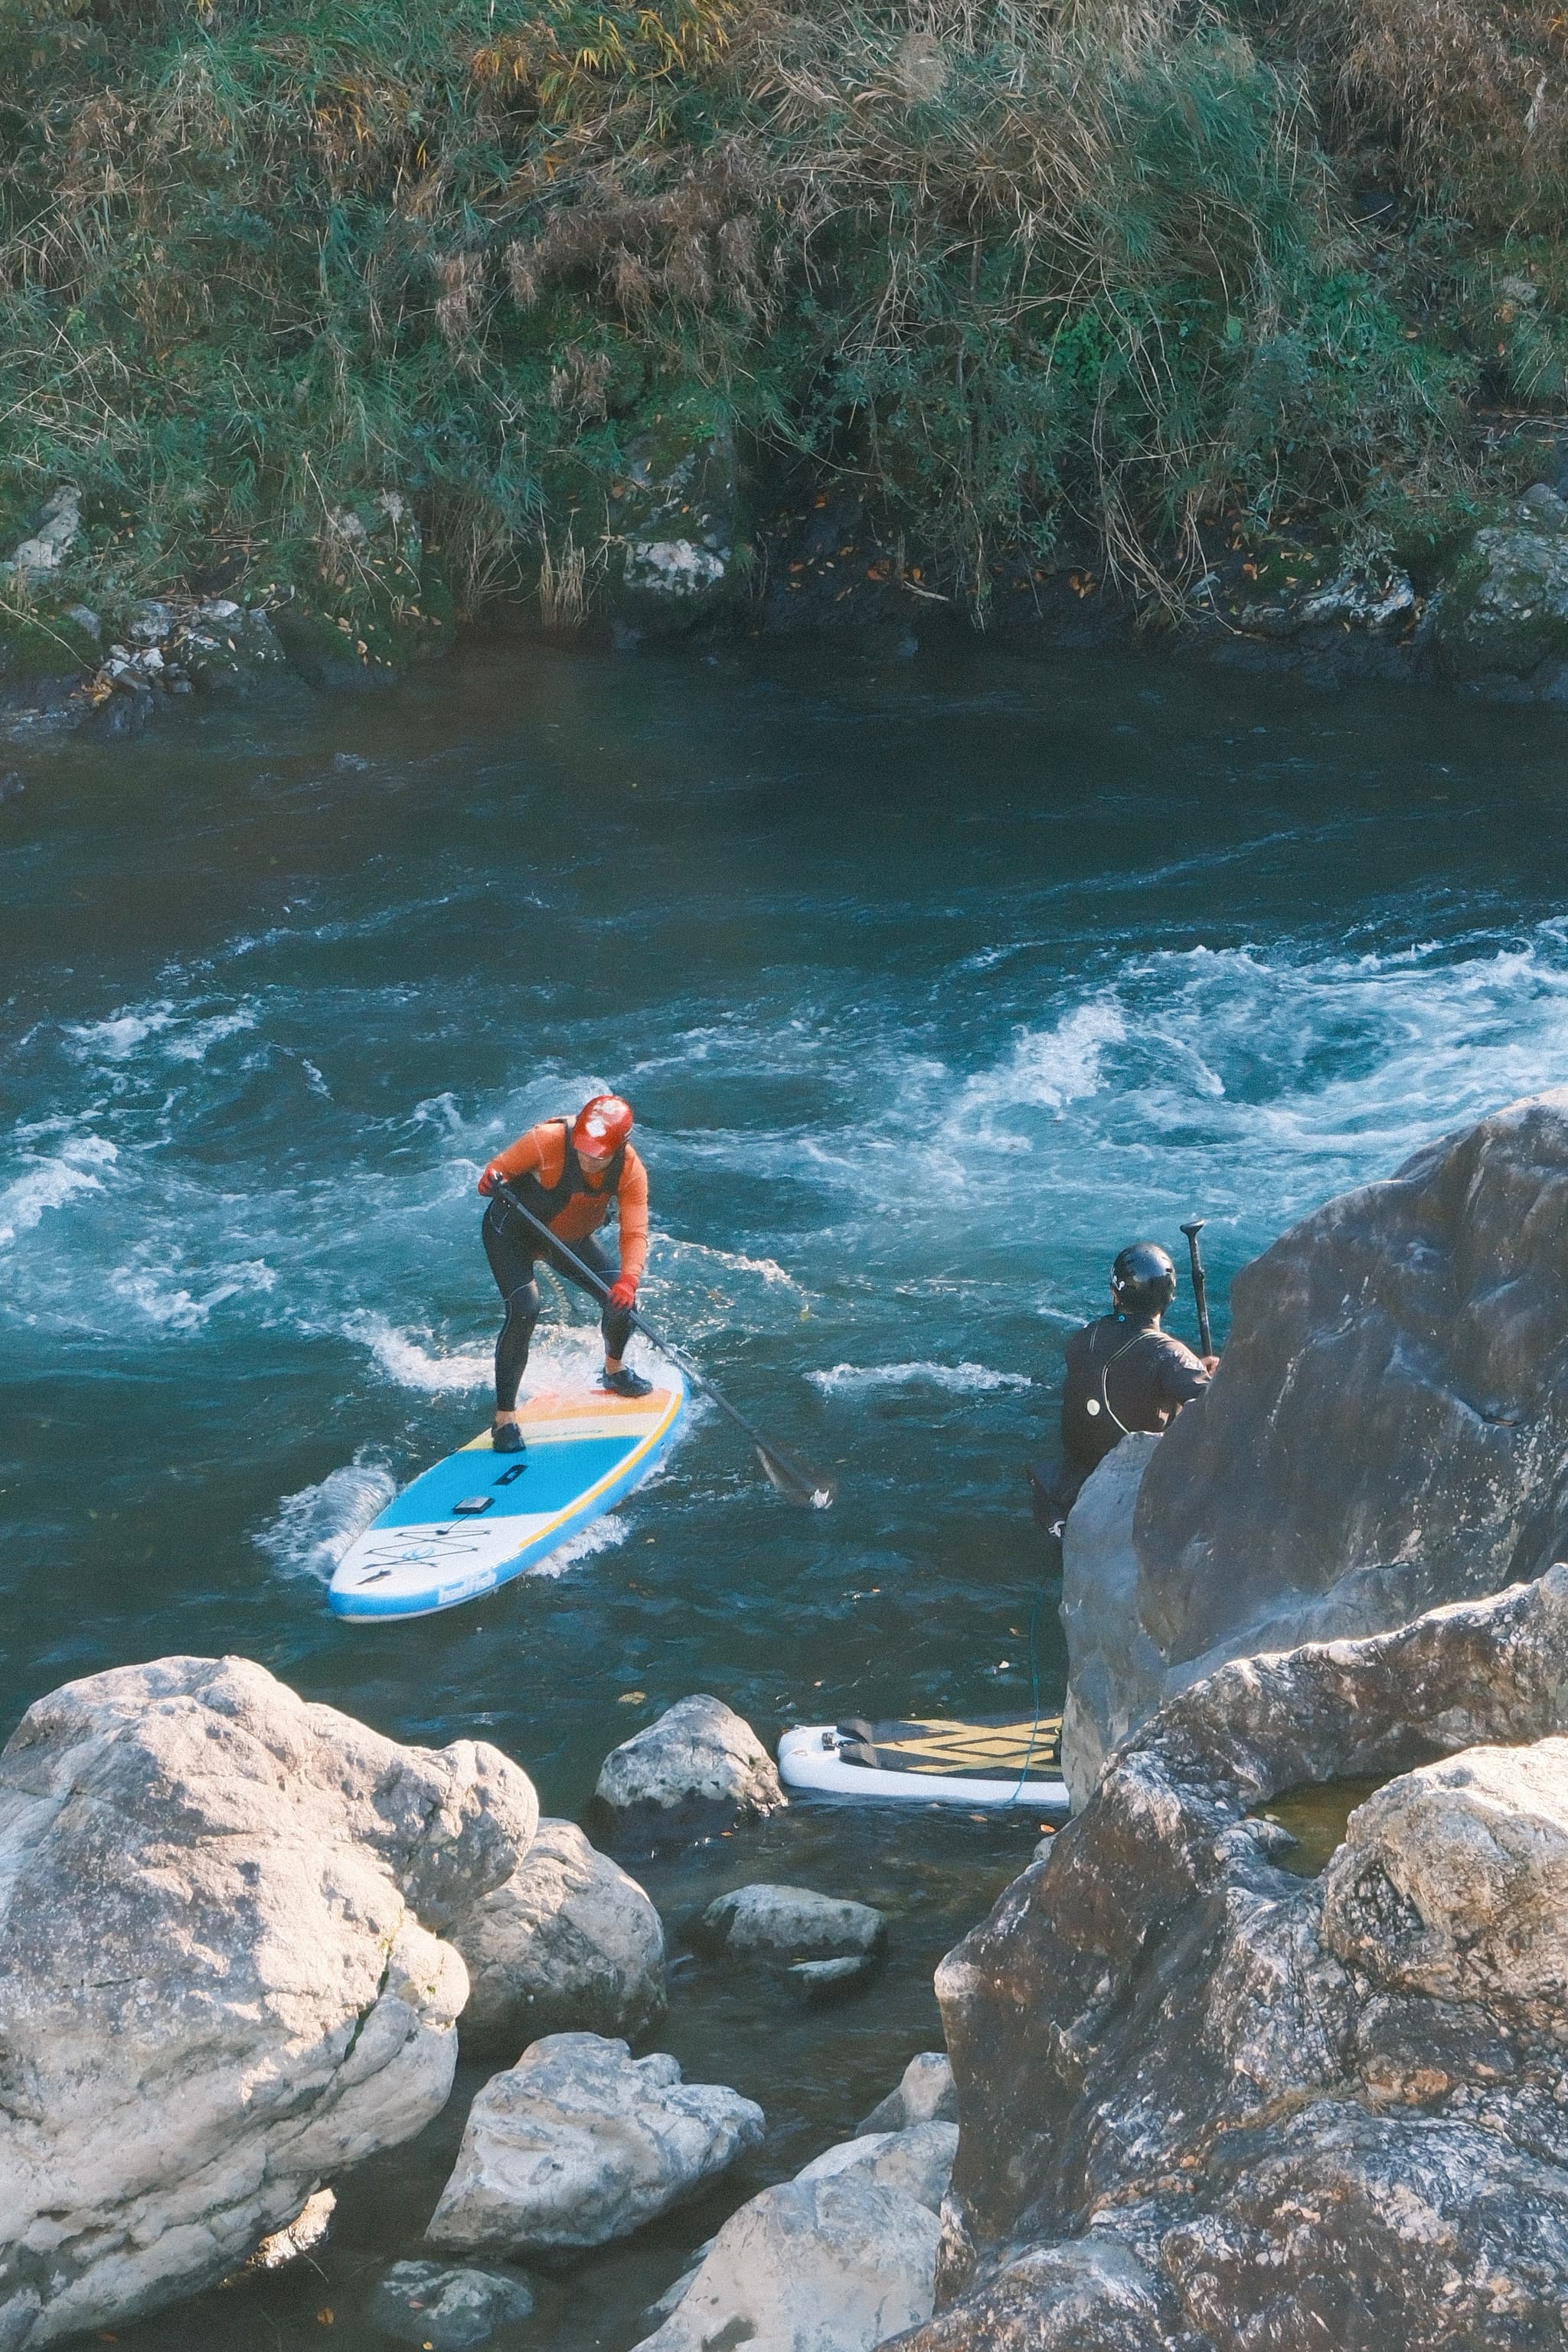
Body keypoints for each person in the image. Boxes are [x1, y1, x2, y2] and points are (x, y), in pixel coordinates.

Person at [477, 1094, 651, 1452]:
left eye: (598, 1155)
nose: (588, 1159)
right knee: (525, 1307)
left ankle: (614, 1370)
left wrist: (628, 1281)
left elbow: (634, 1233)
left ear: (619, 1148)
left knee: (622, 1303)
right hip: (512, 1235)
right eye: (583, 1150)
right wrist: (491, 1180)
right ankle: (504, 1419)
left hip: (567, 1239)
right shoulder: (546, 1140)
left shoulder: (631, 1171)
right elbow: (498, 1169)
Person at [1031, 1242, 1217, 1530]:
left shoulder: (1083, 1337)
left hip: (1071, 1485)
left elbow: (1127, 1371)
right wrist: (1213, 1377)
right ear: (1169, 1298)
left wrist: (1188, 1368)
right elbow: (1222, 1408)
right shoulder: (1171, 1355)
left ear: (1114, 1294)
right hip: (1127, 1492)